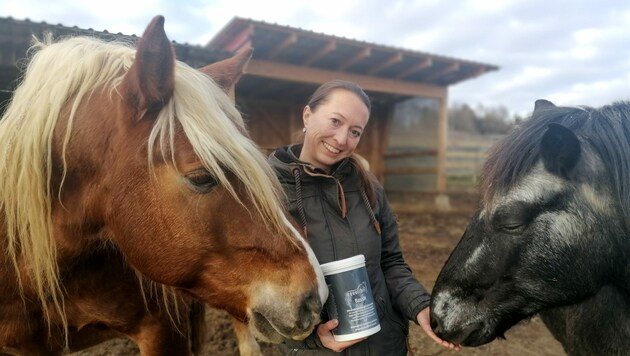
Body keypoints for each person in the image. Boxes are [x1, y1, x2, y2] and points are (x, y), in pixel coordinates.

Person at [268, 80, 460, 355]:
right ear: (307, 115)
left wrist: (420, 307)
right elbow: (256, 290)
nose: (342, 139)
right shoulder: (267, 192)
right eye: (335, 121)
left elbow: (390, 263)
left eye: (355, 131)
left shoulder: (367, 186)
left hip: (386, 345)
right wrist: (311, 341)